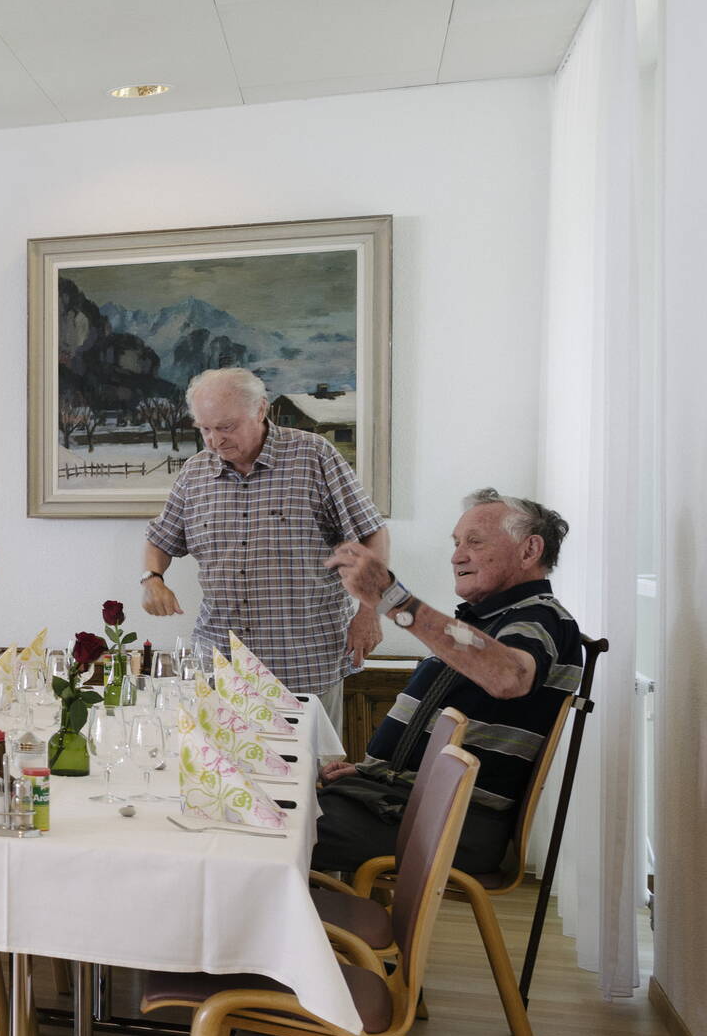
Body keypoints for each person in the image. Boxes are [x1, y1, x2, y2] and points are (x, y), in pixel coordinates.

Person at [314, 490, 583, 877]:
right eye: (457, 543)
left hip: (449, 822)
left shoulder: (540, 619)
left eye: (475, 542)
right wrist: (375, 770)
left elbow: (509, 676)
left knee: (270, 830)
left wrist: (394, 601)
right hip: (405, 801)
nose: (457, 556)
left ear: (529, 550)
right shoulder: (488, 621)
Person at [139, 366, 388, 727]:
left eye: (226, 427)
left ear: (261, 410)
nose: (215, 441)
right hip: (220, 666)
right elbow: (160, 539)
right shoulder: (195, 474)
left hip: (303, 662)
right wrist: (152, 578)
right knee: (220, 779)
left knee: (311, 778)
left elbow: (372, 535)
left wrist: (368, 612)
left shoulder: (313, 456)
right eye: (205, 429)